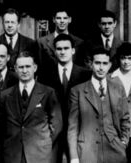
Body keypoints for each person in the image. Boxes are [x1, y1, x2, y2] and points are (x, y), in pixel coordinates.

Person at [68, 47, 130, 163]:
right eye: (97, 63)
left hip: (115, 151)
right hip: (87, 152)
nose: (101, 68)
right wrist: (74, 157)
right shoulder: (77, 91)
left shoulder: (118, 88)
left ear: (110, 65)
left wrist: (123, 143)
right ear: (91, 64)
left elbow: (125, 119)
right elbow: (72, 127)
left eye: (104, 63)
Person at [0, 52, 63, 163]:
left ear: (35, 68)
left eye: (28, 66)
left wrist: (42, 143)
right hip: (13, 154)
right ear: (15, 69)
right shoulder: (5, 95)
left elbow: (56, 125)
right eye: (21, 67)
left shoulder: (48, 92)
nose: (24, 71)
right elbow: (1, 126)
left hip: (40, 154)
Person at [37, 34, 91, 163]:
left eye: (66, 48)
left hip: (78, 130)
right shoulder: (45, 74)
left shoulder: (85, 74)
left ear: (73, 50)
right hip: (53, 131)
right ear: (54, 51)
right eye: (59, 49)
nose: (62, 52)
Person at [36, 8, 84, 72]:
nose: (62, 21)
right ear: (53, 20)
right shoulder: (41, 42)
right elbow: (39, 67)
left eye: (65, 18)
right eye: (58, 18)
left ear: (70, 20)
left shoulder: (79, 42)